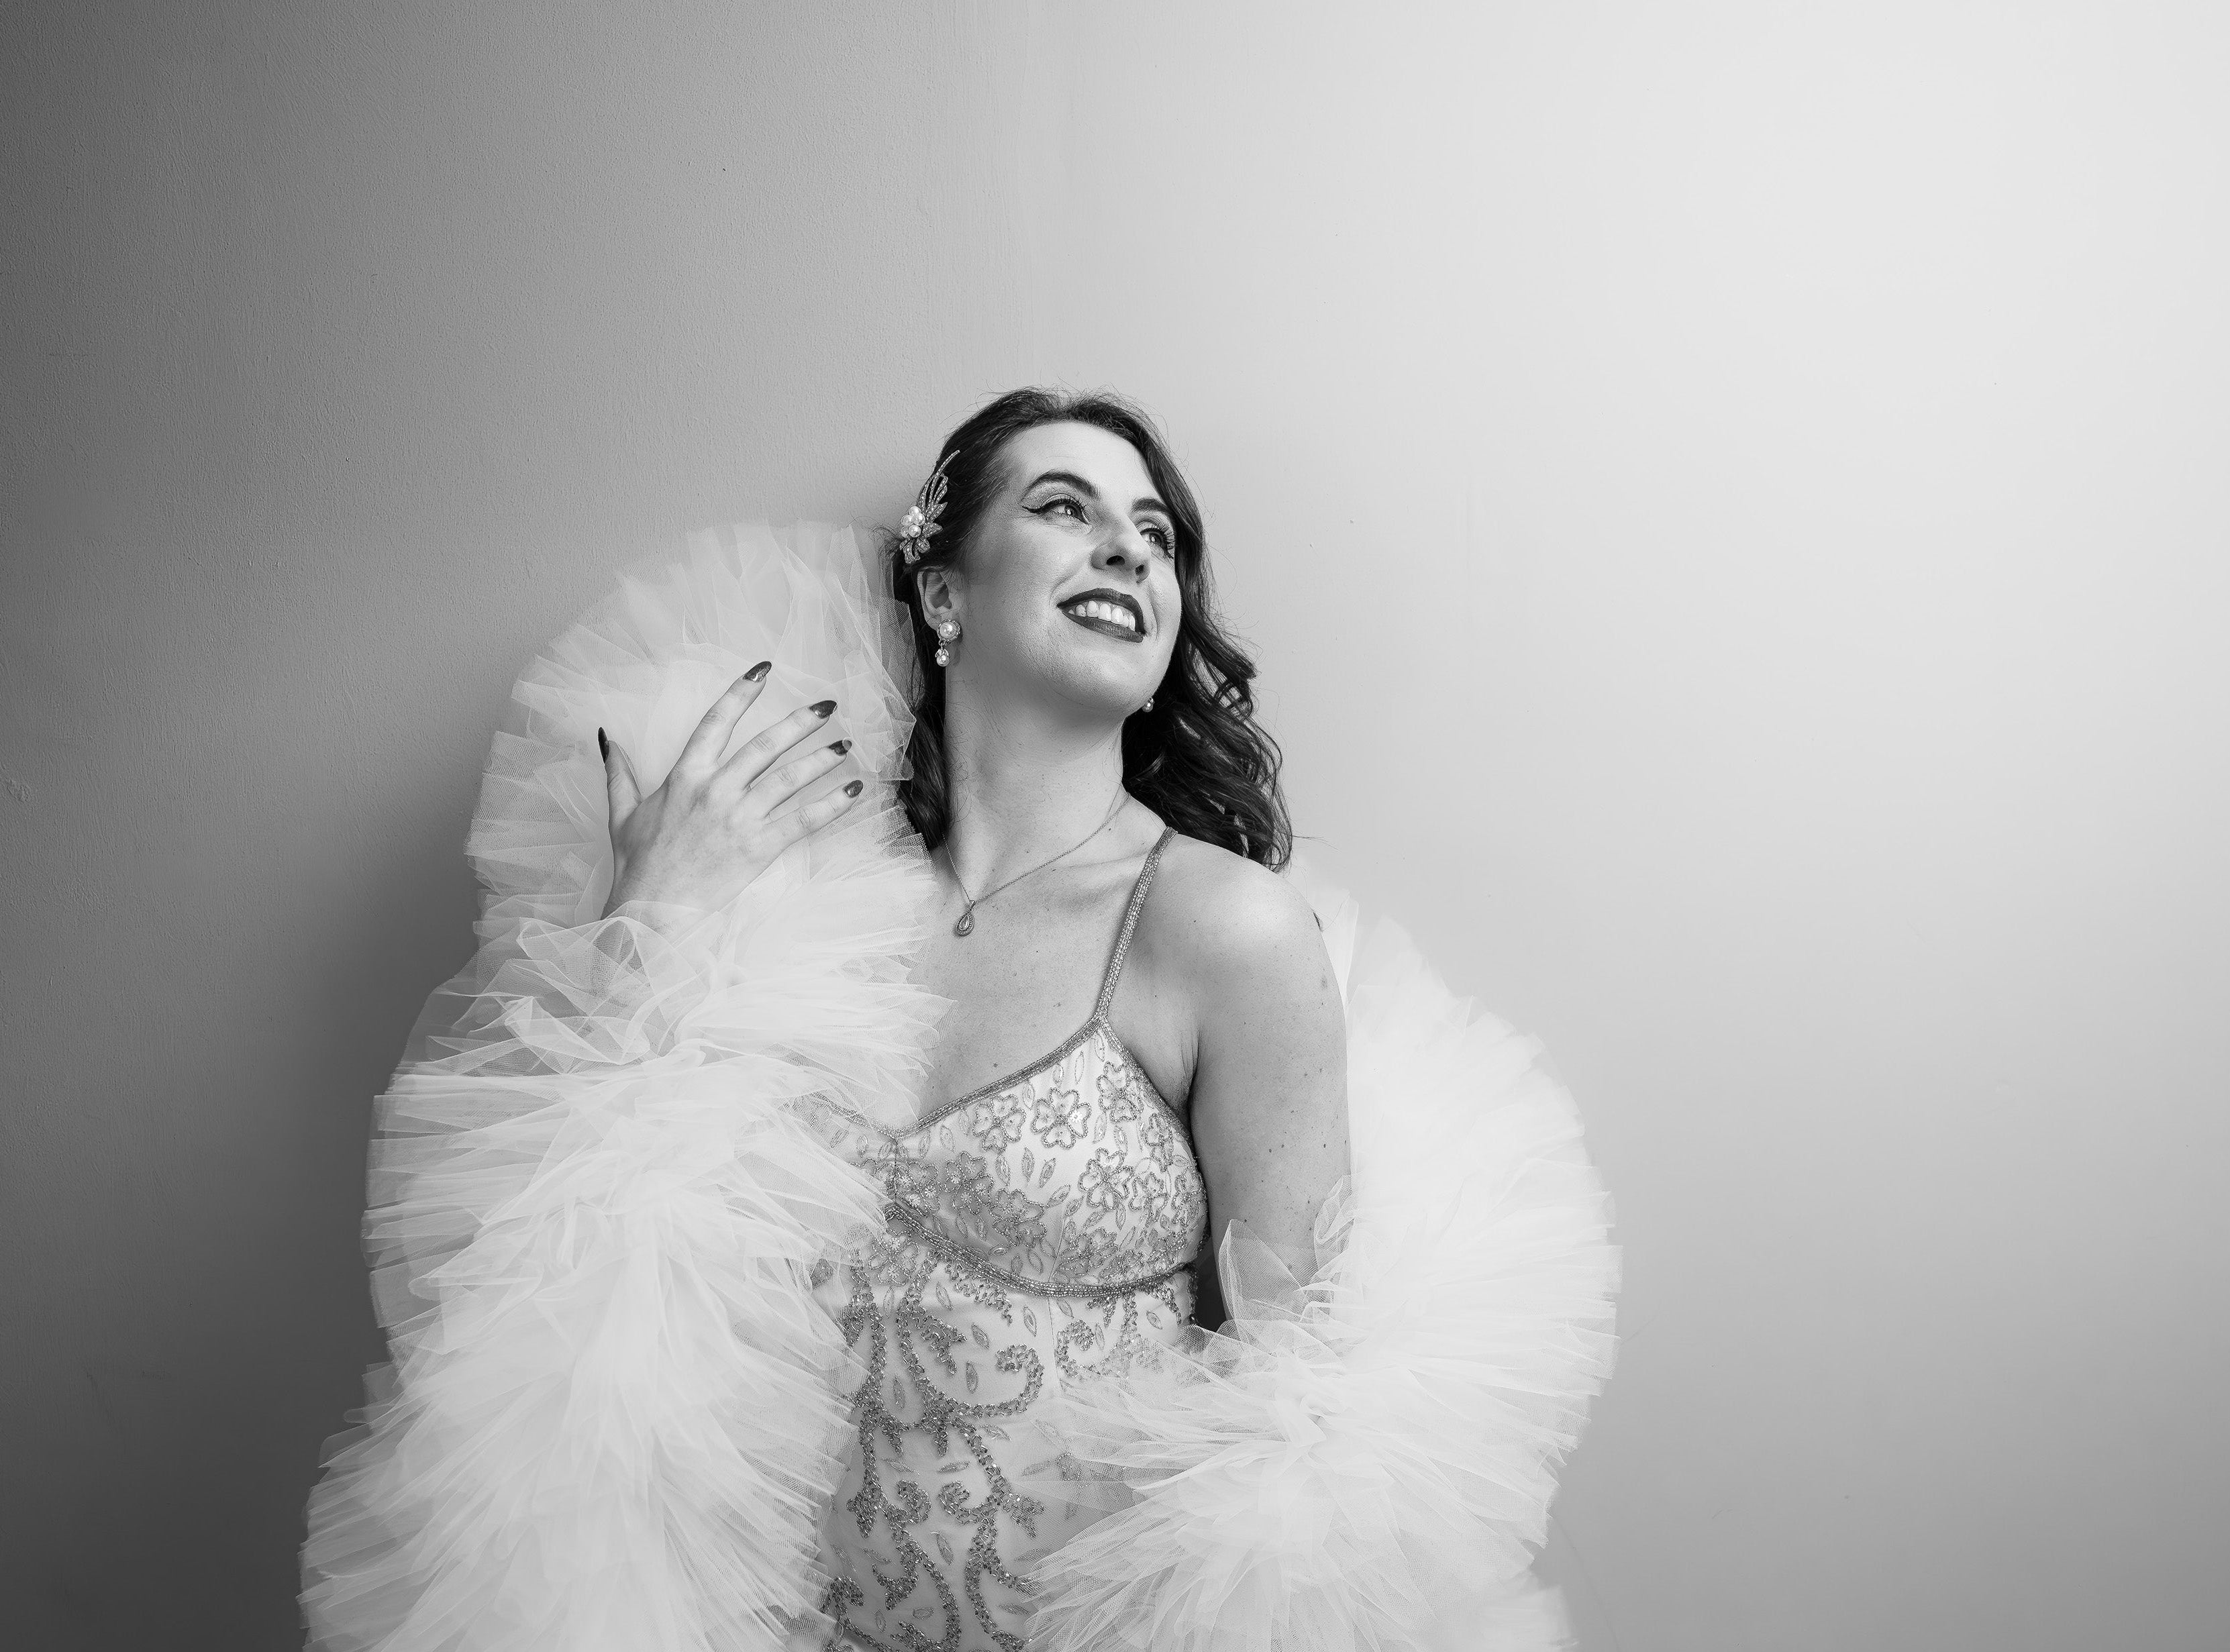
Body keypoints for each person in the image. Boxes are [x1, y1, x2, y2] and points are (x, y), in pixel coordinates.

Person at [301, 389, 1620, 1652]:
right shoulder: (801, 904)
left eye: (1155, 536)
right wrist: (654, 918)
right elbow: (577, 1281)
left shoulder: (1217, 932)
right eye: (1065, 506)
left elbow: (1302, 1425)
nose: (1125, 545)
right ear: (944, 592)